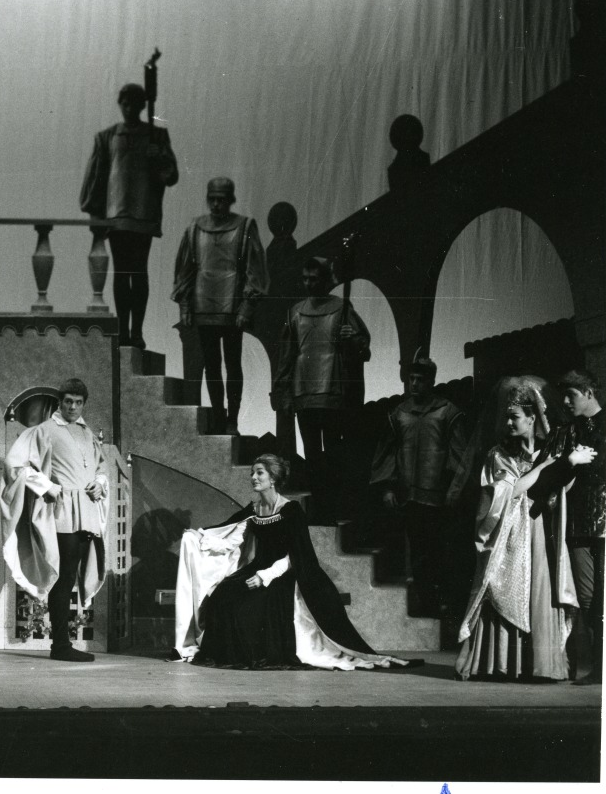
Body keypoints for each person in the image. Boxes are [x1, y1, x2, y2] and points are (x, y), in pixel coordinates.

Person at [174, 454, 417, 670]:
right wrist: (199, 538)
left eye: (259, 473)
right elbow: (230, 539)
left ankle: (253, 654)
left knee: (248, 608)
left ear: (273, 478)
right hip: (256, 568)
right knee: (223, 595)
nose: (253, 477)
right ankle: (225, 654)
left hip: (284, 574)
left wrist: (264, 576)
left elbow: (295, 554)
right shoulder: (254, 509)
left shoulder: (291, 511)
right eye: (252, 473)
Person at [455, 378, 578, 682]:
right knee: (502, 585)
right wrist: (543, 469)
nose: (508, 422)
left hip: (539, 529)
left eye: (515, 417)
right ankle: (501, 664)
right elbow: (508, 492)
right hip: (508, 536)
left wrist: (561, 469)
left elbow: (560, 490)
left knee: (540, 591)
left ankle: (541, 666)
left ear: (532, 418)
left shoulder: (550, 450)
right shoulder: (499, 454)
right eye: (507, 417)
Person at [2, 378, 109, 662]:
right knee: (63, 578)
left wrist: (99, 482)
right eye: (68, 402)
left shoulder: (87, 433)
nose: (73, 407)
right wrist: (46, 485)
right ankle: (60, 645)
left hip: (86, 511)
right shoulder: (43, 431)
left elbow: (101, 466)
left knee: (72, 576)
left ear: (84, 404)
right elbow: (14, 465)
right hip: (62, 512)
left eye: (78, 402)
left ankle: (63, 643)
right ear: (60, 402)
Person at [271, 257, 371, 524]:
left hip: (333, 390)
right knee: (312, 454)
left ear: (325, 280)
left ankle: (335, 509)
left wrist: (352, 339)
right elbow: (287, 354)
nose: (308, 284)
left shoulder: (342, 308)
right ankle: (321, 509)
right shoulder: (295, 312)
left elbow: (362, 347)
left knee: (335, 453)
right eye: (305, 278)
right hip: (304, 391)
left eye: (313, 279)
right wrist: (283, 391)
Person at [80, 83, 179, 348]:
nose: (129, 109)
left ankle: (137, 332)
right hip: (117, 217)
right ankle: (123, 331)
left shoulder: (156, 136)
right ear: (120, 105)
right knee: (122, 273)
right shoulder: (107, 137)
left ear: (142, 106)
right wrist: (96, 215)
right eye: (125, 104)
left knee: (139, 271)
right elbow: (97, 178)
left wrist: (158, 157)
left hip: (143, 215)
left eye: (134, 104)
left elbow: (171, 176)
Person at [370, 352, 468, 616]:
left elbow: (459, 454)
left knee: (440, 551)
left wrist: (455, 490)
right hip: (409, 496)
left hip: (439, 497)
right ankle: (424, 605)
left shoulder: (447, 412)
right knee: (416, 551)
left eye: (420, 379)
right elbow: (388, 453)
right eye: (411, 379)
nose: (414, 384)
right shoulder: (399, 414)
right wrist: (388, 488)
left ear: (431, 381)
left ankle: (442, 607)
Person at [172, 177, 269, 435]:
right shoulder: (195, 228)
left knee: (233, 363)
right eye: (212, 199)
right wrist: (185, 305)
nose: (216, 204)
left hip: (232, 306)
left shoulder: (245, 226)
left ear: (230, 200)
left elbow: (255, 269)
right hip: (204, 305)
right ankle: (218, 416)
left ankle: (232, 419)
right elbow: (185, 269)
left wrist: (247, 306)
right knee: (211, 364)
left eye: (221, 199)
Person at [556, 369, 606, 684]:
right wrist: (569, 461)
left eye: (571, 395)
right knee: (587, 598)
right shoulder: (568, 431)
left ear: (588, 392)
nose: (565, 401)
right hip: (577, 524)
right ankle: (598, 666)